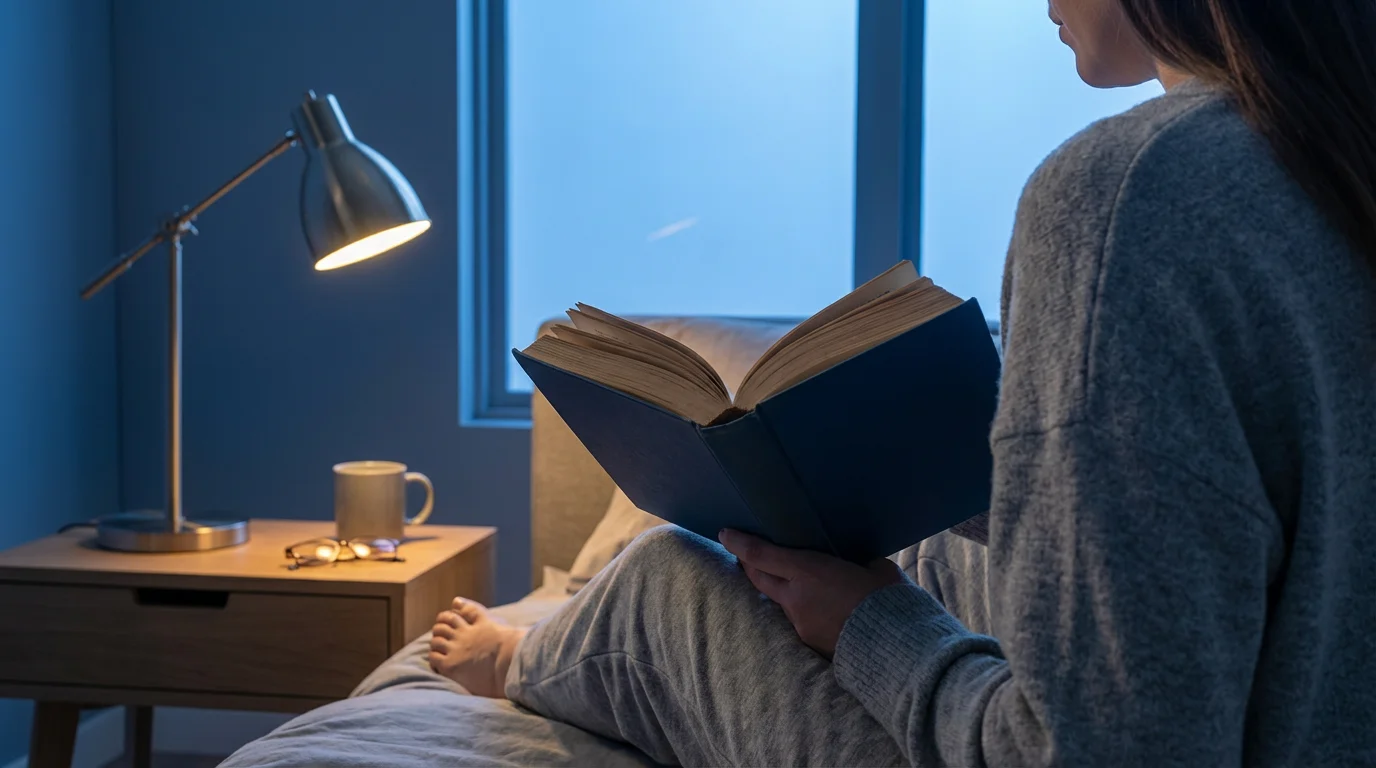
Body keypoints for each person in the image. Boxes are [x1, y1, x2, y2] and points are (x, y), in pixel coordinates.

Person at [429, 0, 1376, 765]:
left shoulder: (1127, 194)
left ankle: (519, 656)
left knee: (661, 578)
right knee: (934, 546)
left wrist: (867, 626)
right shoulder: (1330, 147)